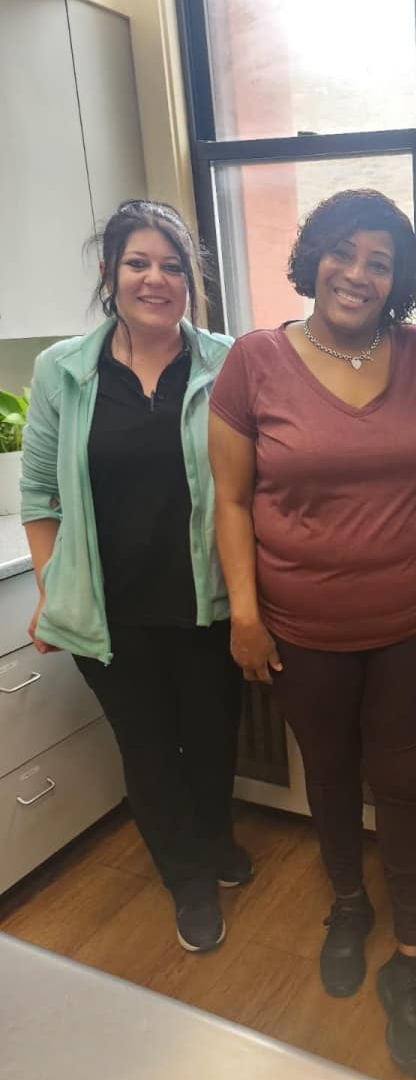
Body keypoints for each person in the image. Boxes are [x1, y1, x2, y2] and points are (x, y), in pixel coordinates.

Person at [208, 188, 416, 1075]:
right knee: (329, 774)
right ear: (314, 258)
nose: (358, 274)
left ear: (396, 280)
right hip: (302, 625)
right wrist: (245, 613)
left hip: (415, 619)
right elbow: (229, 500)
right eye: (343, 251)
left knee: (403, 782)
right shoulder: (254, 362)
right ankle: (346, 904)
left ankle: (412, 959)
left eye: (380, 262)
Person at [20, 200, 247, 955]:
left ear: (190, 282)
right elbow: (40, 495)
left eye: (172, 266)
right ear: (109, 273)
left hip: (208, 602)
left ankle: (212, 840)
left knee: (212, 743)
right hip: (111, 612)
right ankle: (188, 879)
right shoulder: (63, 370)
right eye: (138, 263)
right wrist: (53, 589)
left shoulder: (228, 363)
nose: (156, 279)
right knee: (149, 752)